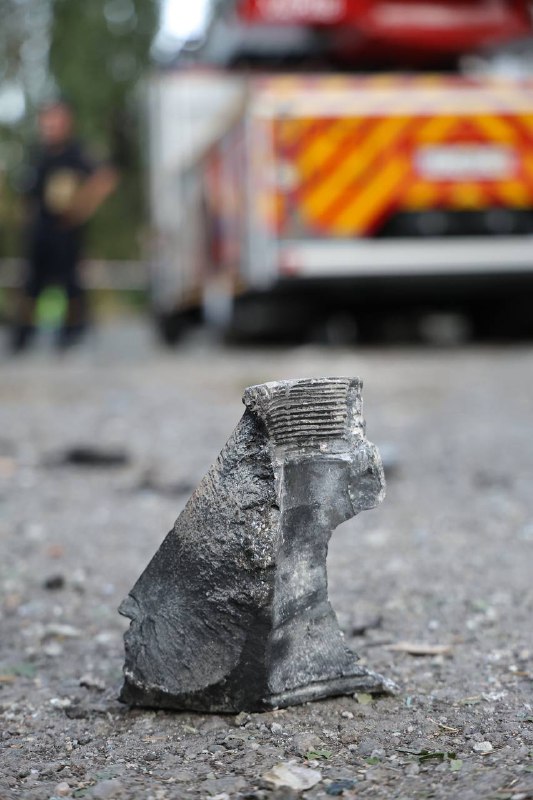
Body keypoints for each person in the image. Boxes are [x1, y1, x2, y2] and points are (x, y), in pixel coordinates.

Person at [11, 98, 117, 352]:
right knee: (31, 284)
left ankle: (70, 335)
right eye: (46, 118)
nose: (50, 124)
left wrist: (82, 206)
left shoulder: (76, 152)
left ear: (67, 122)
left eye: (55, 118)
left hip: (66, 231)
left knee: (70, 285)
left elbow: (106, 177)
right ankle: (22, 336)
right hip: (39, 231)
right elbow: (28, 194)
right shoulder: (37, 154)